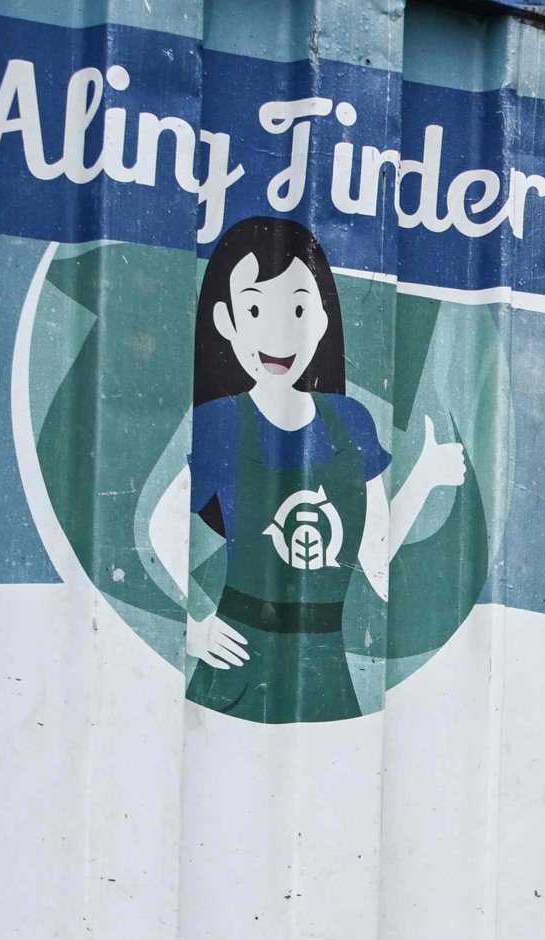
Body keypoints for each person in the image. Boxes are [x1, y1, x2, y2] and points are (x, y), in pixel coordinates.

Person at [139, 216, 468, 725]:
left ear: (320, 318)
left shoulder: (350, 420)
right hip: (238, 666)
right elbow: (161, 528)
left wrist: (425, 475)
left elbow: (373, 559)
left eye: (296, 308)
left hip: (325, 664)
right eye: (253, 308)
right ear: (226, 321)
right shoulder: (221, 421)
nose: (276, 331)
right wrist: (193, 626)